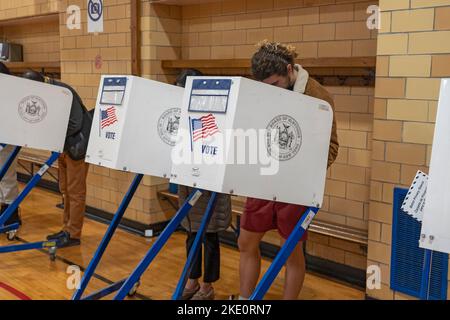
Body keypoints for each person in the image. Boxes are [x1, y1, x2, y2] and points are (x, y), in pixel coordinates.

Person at [237, 41, 339, 300]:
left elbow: (332, 148)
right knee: (245, 242)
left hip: (295, 187)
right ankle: (246, 303)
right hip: (262, 179)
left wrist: (303, 171)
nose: (270, 91)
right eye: (265, 86)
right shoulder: (259, 91)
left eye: (275, 85)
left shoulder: (318, 97)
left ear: (289, 69)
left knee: (290, 251)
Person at [175, 69, 232, 300]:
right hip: (188, 183)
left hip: (209, 185)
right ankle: (192, 281)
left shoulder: (214, 115)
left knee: (208, 237)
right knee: (191, 233)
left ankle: (207, 287)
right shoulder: (183, 113)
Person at [22, 70, 91, 248]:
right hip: (64, 147)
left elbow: (75, 123)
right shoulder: (48, 92)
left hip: (77, 149)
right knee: (65, 190)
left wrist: (55, 137)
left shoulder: (63, 92)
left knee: (75, 192)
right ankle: (66, 228)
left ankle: (74, 234)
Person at [0, 62, 21, 227]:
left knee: (7, 177)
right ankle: (5, 209)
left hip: (7, 139)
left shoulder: (9, 95)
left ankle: (12, 214)